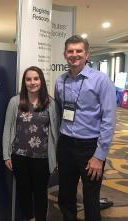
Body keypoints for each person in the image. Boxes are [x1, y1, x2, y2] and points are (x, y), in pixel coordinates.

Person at [54, 35, 116, 221]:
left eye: (79, 51)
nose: (74, 55)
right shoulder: (60, 81)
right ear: (65, 54)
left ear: (87, 54)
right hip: (65, 144)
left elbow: (109, 119)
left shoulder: (101, 80)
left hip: (90, 147)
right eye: (70, 51)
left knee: (90, 198)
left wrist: (99, 156)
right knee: (65, 194)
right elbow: (60, 111)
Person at [3, 66, 60, 221]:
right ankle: (28, 218)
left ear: (41, 80)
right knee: (24, 192)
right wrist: (6, 155)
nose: (32, 82)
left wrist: (56, 157)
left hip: (42, 158)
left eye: (36, 78)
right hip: (19, 156)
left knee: (41, 193)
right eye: (28, 79)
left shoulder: (51, 103)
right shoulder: (15, 102)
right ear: (24, 82)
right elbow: (7, 128)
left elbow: (56, 133)